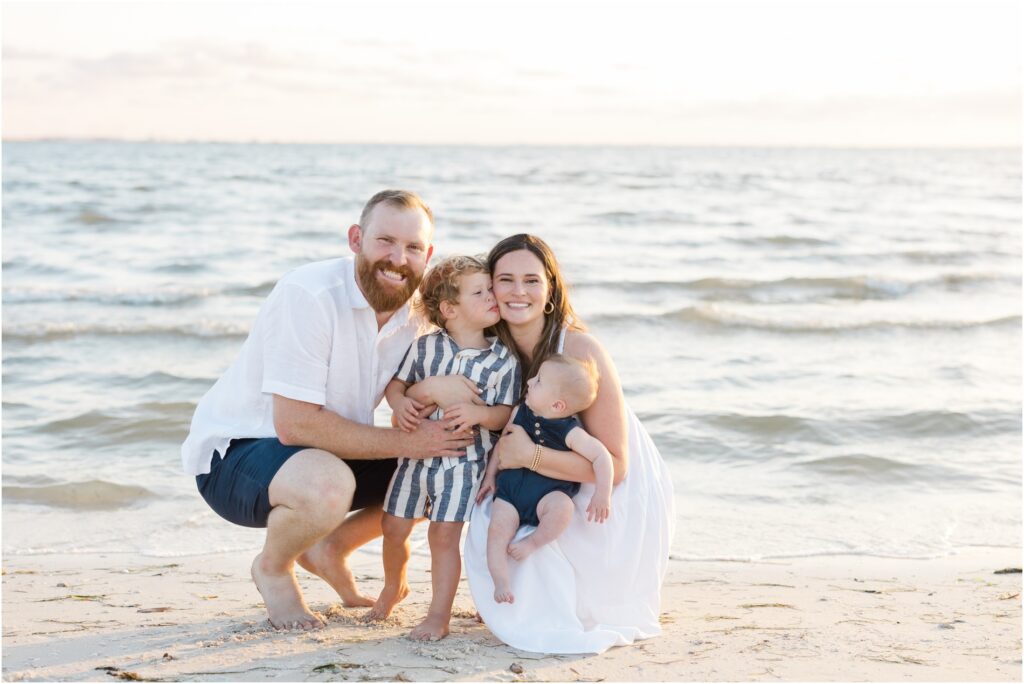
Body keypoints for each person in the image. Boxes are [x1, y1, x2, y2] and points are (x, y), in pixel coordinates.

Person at [180, 190, 473, 631]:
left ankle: (330, 548)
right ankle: (274, 568)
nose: (397, 258)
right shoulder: (309, 294)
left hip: (321, 452)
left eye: (413, 248)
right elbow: (294, 424)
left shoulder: (417, 314)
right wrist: (411, 439)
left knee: (449, 464)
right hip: (236, 455)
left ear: (427, 255)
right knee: (329, 484)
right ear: (356, 238)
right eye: (385, 241)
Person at [407, 233, 675, 654]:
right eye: (505, 280)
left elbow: (617, 465)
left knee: (539, 559)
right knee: (488, 521)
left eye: (531, 280)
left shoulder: (579, 348)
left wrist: (528, 455)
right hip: (529, 475)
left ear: (550, 289)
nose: (518, 292)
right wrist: (428, 393)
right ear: (489, 287)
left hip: (602, 482)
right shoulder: (490, 345)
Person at [364, 255, 519, 640]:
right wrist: (399, 403)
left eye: (490, 289)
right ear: (449, 309)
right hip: (414, 458)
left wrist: (478, 414)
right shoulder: (425, 348)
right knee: (393, 526)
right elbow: (396, 386)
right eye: (479, 292)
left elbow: (506, 414)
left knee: (443, 536)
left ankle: (438, 615)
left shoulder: (503, 360)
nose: (492, 297)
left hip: (463, 463)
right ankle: (392, 587)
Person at [478, 354, 613, 605]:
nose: (529, 381)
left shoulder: (569, 431)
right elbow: (502, 444)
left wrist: (602, 494)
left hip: (547, 494)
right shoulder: (519, 412)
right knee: (496, 531)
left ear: (557, 406)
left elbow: (601, 457)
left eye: (538, 381)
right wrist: (490, 476)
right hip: (511, 490)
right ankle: (501, 582)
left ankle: (534, 542)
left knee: (563, 508)